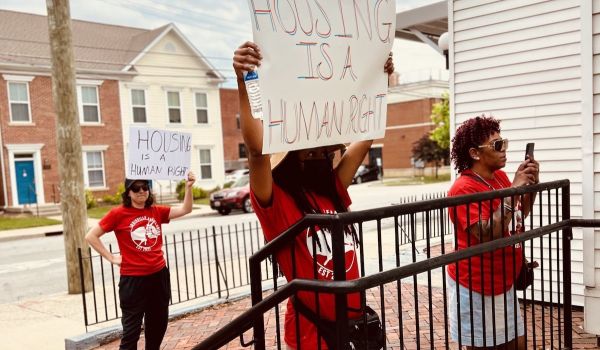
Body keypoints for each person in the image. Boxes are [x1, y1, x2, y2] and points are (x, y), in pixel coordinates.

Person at [233, 41, 394, 349]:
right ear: (292, 156)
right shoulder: (276, 199)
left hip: (352, 323)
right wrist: (243, 80)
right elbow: (257, 152)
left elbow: (366, 135)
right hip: (311, 332)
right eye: (312, 150)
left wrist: (379, 81)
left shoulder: (330, 190)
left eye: (326, 150)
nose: (322, 155)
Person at [446, 116, 539, 350]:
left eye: (504, 142)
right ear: (475, 153)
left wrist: (531, 186)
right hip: (476, 283)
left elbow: (519, 214)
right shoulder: (462, 189)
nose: (504, 150)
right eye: (498, 145)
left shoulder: (499, 177)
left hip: (502, 280)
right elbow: (487, 234)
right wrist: (514, 189)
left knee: (516, 344)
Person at [85, 172, 196, 350]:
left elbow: (186, 209)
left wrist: (189, 188)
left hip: (158, 277)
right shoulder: (118, 214)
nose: (141, 191)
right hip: (133, 281)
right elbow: (91, 236)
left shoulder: (156, 211)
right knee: (131, 333)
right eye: (136, 188)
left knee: (157, 327)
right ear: (128, 192)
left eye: (145, 187)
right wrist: (111, 257)